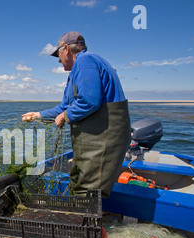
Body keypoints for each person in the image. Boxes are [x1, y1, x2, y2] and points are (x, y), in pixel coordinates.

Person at [22, 31, 131, 198]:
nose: (58, 60)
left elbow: (89, 101)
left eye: (58, 55)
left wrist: (65, 117)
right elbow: (65, 107)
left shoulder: (85, 61)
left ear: (66, 49)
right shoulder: (78, 70)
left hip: (103, 138)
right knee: (78, 180)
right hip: (93, 138)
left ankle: (89, 221)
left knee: (88, 191)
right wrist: (38, 115)